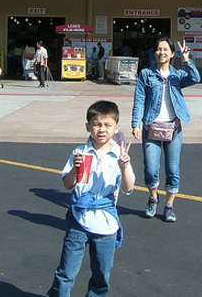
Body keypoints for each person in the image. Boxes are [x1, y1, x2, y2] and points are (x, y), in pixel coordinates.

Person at [46, 100, 135, 297]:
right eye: (96, 124)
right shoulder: (80, 152)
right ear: (88, 126)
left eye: (107, 125)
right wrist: (76, 169)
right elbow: (67, 184)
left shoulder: (119, 155)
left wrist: (124, 166)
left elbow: (128, 188)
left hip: (106, 223)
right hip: (79, 219)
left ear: (116, 127)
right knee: (66, 272)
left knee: (101, 275)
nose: (101, 129)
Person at [130, 37, 200, 222]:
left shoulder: (178, 76)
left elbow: (195, 78)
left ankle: (169, 206)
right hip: (150, 127)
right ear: (154, 53)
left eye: (165, 50)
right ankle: (153, 198)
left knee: (172, 170)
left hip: (174, 129)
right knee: (151, 169)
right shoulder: (146, 74)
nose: (162, 52)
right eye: (159, 49)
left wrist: (186, 60)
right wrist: (136, 123)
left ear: (172, 54)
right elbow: (139, 100)